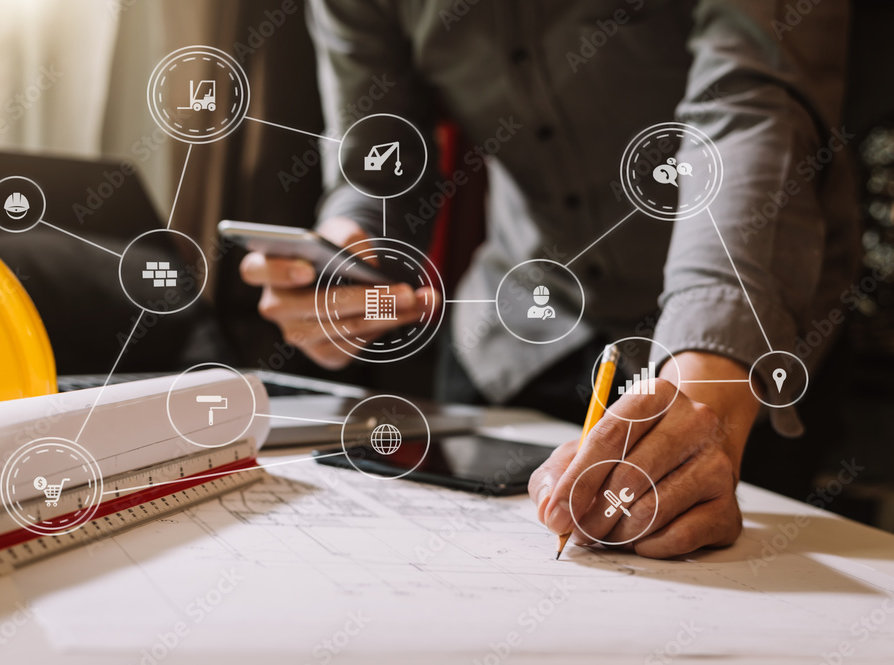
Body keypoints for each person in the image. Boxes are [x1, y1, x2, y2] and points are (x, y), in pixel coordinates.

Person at [240, 0, 857, 558]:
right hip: (520, 332)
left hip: (744, 341)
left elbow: (752, 106)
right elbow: (379, 149)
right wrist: (351, 254)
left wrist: (707, 387)